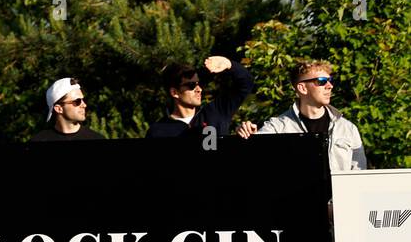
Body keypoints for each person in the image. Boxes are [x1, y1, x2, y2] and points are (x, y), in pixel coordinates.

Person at [236, 61, 367, 172]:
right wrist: (247, 136)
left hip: (340, 202)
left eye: (330, 80)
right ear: (302, 88)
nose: (330, 86)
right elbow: (250, 159)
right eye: (322, 81)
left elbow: (358, 179)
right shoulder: (277, 127)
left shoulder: (348, 129)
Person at [145, 56, 252, 139]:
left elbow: (245, 84)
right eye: (191, 86)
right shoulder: (157, 131)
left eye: (198, 84)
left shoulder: (216, 112)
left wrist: (229, 64)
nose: (199, 89)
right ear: (174, 92)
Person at [30, 77, 105, 141]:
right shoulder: (39, 139)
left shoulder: (96, 137)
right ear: (58, 109)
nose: (84, 105)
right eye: (77, 101)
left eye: (83, 100)